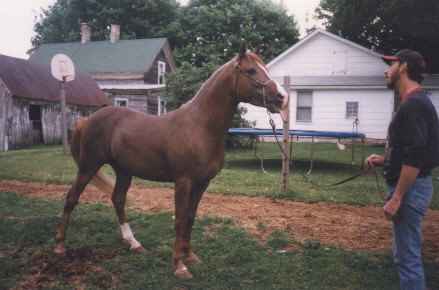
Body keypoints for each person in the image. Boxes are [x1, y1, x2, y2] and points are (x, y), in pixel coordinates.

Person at [366, 49, 439, 290]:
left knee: (407, 260)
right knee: (404, 256)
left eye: (391, 64)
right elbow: (409, 148)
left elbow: (416, 155)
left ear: (404, 67)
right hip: (411, 188)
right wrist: (384, 159)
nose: (386, 70)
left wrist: (397, 198)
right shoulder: (413, 101)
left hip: (409, 191)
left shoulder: (415, 103)